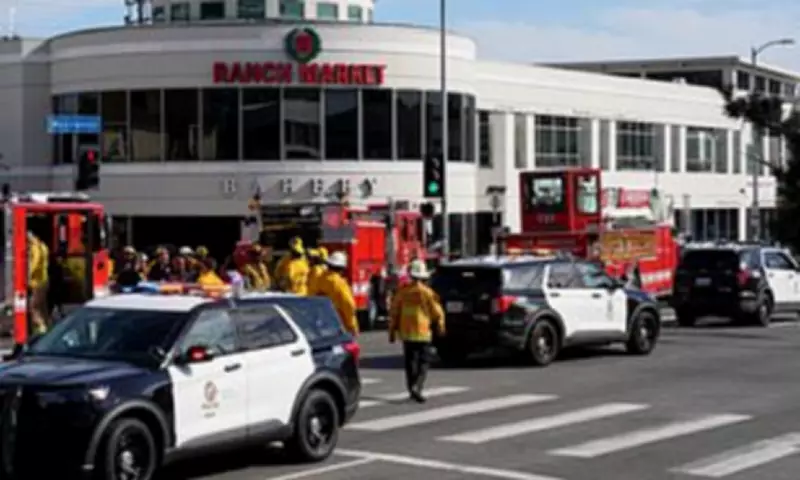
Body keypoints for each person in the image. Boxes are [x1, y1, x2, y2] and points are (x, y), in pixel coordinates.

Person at [389, 259, 445, 403]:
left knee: (410, 362)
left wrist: (392, 331)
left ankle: (411, 387)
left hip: (407, 333)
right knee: (424, 362)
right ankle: (418, 386)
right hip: (423, 332)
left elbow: (394, 311)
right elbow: (437, 311)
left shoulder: (403, 291)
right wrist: (440, 326)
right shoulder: (427, 292)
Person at [318, 251, 358, 336]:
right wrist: (352, 325)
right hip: (338, 326)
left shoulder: (320, 279)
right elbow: (348, 305)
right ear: (342, 268)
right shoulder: (339, 283)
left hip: (321, 325)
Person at [27, 232, 50, 335]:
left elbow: (36, 262)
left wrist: (28, 275)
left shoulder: (35, 247)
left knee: (33, 306)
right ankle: (47, 326)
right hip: (44, 280)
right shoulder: (43, 246)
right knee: (42, 306)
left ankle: (42, 327)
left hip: (37, 281)